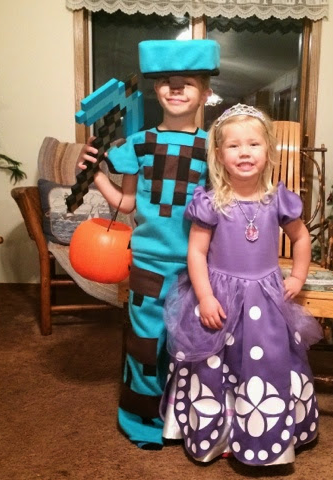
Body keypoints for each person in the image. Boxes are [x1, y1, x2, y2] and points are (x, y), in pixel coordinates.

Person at [160, 104, 323, 466]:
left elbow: (300, 238)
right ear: (219, 155)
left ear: (268, 151)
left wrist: (298, 276)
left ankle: (264, 432)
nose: (244, 153)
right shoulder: (210, 202)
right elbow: (196, 253)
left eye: (253, 144)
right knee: (215, 364)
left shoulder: (277, 199)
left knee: (267, 361)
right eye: (234, 146)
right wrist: (204, 297)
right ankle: (221, 434)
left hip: (265, 298)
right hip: (220, 296)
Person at [77, 39, 220, 450]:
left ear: (205, 93)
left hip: (197, 269)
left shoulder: (213, 148)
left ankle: (189, 419)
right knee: (145, 344)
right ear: (156, 90)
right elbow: (126, 203)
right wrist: (95, 175)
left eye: (187, 82)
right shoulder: (137, 145)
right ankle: (142, 421)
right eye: (167, 83)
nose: (176, 89)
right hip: (148, 265)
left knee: (192, 346)